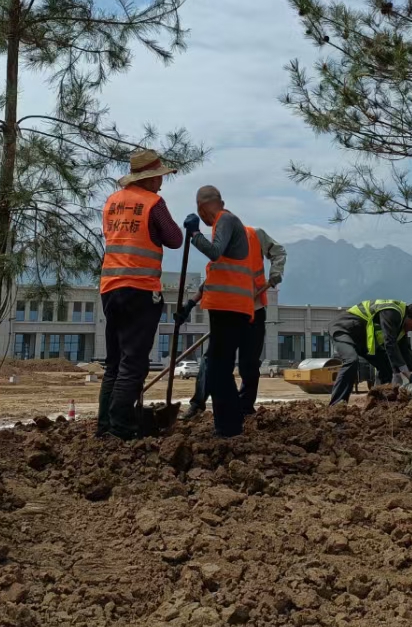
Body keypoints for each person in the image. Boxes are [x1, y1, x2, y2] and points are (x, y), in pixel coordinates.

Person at [97, 148, 183, 439]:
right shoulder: (153, 203)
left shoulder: (112, 202)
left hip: (110, 288)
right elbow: (174, 239)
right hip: (140, 289)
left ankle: (104, 427)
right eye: (158, 177)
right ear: (148, 179)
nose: (161, 182)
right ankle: (121, 429)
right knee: (134, 363)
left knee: (114, 362)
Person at [182, 225, 286, 422]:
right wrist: (190, 303)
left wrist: (275, 274)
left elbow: (278, 250)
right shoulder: (219, 247)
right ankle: (197, 404)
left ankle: (245, 407)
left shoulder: (255, 235)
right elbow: (212, 280)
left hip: (252, 310)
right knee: (212, 360)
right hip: (227, 313)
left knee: (249, 362)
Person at [182, 186, 259, 438]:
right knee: (218, 367)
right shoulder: (226, 225)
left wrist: (194, 233)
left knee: (219, 369)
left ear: (201, 208)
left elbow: (213, 251)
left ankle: (228, 428)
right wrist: (191, 302)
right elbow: (218, 269)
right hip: (226, 307)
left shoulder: (225, 219)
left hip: (230, 308)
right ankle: (229, 424)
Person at [327, 300, 412, 406]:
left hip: (362, 339)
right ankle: (336, 405)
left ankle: (379, 403)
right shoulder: (392, 312)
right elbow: (389, 343)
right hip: (344, 328)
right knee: (351, 360)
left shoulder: (401, 326)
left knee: (385, 364)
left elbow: (405, 350)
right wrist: (409, 376)